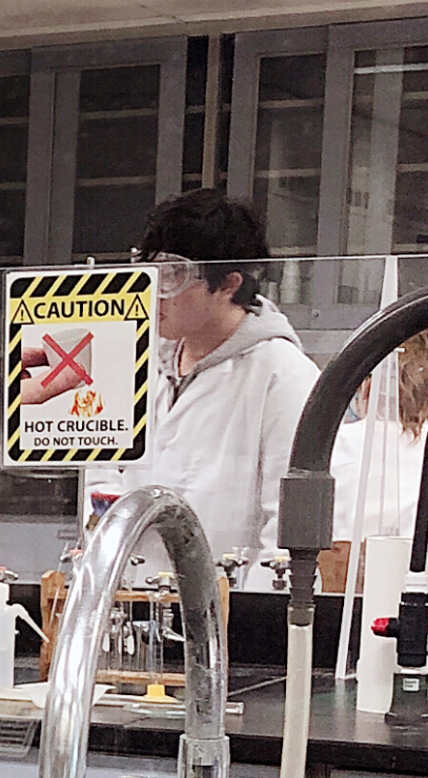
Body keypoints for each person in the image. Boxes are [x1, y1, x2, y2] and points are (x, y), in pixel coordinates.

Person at [108, 187, 320, 577]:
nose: (154, 293)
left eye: (172, 276)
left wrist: (245, 620)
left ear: (228, 284)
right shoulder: (138, 361)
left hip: (227, 615)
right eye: (147, 270)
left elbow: (288, 539)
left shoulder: (283, 376)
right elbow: (103, 475)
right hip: (130, 605)